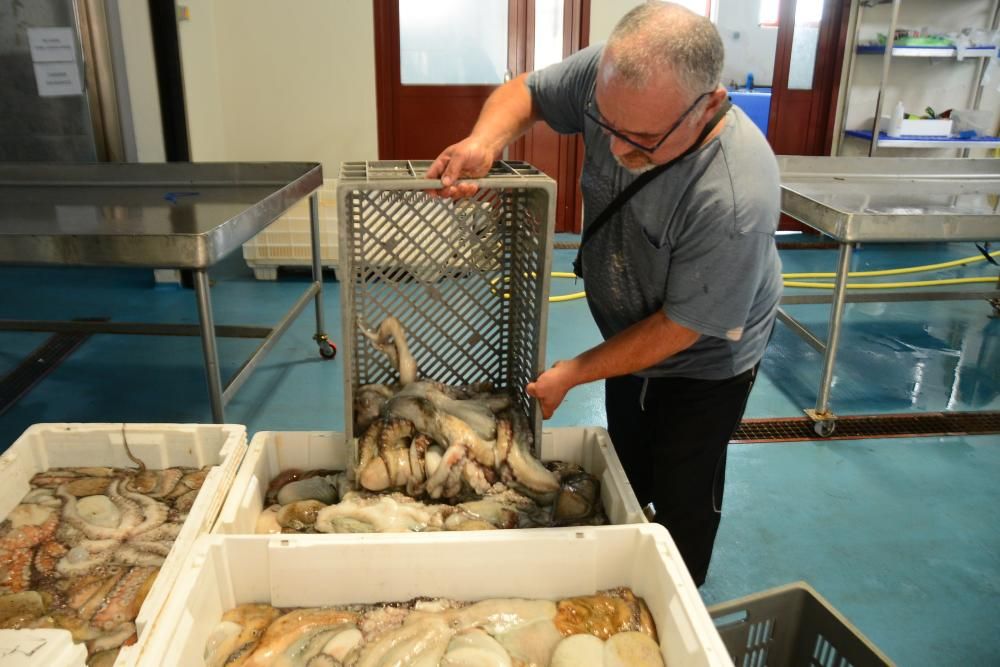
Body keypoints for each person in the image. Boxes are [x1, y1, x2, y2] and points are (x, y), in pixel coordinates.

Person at [426, 1, 781, 586]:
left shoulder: (735, 195)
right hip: (627, 328)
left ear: (710, 104)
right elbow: (530, 92)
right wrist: (485, 141)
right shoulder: (617, 76)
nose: (616, 149)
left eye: (642, 138)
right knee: (627, 458)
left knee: (685, 485)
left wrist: (576, 371)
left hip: (706, 359)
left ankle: (676, 588)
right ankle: (620, 547)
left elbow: (682, 327)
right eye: (607, 124)